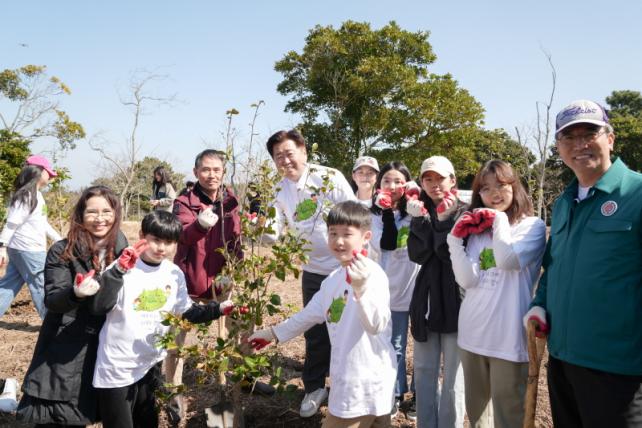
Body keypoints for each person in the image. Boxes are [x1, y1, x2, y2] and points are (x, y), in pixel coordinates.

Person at [526, 100, 642, 427]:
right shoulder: (564, 202)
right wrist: (539, 305)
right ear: (559, 148)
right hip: (562, 361)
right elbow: (554, 267)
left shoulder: (637, 193)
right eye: (569, 137)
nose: (579, 144)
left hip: (618, 369)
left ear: (611, 139)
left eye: (589, 133)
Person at [248, 201, 396, 428]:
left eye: (347, 234)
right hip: (353, 381)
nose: (338, 241)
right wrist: (271, 333)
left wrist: (361, 290)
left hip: (363, 382)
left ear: (366, 237)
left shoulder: (373, 275)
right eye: (333, 233)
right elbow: (307, 316)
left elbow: (376, 325)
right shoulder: (332, 280)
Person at [90, 210, 234, 428]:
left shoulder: (173, 273)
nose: (161, 248)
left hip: (150, 365)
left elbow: (187, 311)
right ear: (142, 236)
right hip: (117, 368)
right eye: (156, 240)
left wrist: (219, 309)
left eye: (169, 242)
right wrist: (117, 272)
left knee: (148, 422)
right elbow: (99, 306)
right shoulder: (124, 268)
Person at [17, 185, 129, 426]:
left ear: (116, 214)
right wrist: (75, 293)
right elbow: (52, 299)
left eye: (106, 212)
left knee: (93, 406)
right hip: (66, 342)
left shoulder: (122, 248)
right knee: (60, 413)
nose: (100, 219)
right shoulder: (63, 250)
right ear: (81, 215)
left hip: (105, 343)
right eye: (92, 212)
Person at [447, 160, 546, 428]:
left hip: (508, 338)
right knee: (477, 416)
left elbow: (508, 261)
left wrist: (498, 219)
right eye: (486, 188)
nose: (494, 193)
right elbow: (468, 280)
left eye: (501, 185)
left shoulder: (532, 226)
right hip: (472, 333)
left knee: (509, 415)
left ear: (515, 187)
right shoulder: (477, 233)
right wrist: (454, 241)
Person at [265, 129, 356, 417]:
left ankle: (348, 389)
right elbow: (273, 228)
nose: (285, 161)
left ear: (304, 151)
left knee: (348, 330)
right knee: (315, 333)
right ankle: (315, 388)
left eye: (289, 153)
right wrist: (263, 229)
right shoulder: (278, 189)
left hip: (344, 268)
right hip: (313, 270)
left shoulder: (328, 177)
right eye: (278, 157)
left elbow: (355, 215)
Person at [167, 149, 242, 420]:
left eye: (216, 170)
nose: (212, 175)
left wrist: (236, 267)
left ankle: (238, 381)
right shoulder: (184, 202)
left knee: (236, 332)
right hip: (190, 281)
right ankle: (173, 393)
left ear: (223, 172)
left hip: (222, 280)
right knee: (177, 341)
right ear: (196, 172)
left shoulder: (230, 201)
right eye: (206, 169)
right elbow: (182, 235)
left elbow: (236, 238)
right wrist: (199, 225)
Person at [407, 156, 467, 427]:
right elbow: (417, 254)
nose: (434, 184)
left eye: (440, 178)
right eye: (428, 179)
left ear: (452, 180)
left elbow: (447, 255)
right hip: (427, 301)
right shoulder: (420, 211)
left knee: (454, 378)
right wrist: (420, 221)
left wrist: (442, 221)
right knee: (423, 371)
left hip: (456, 302)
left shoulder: (465, 212)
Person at [369, 161, 420, 417]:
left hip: (419, 290)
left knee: (423, 346)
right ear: (379, 184)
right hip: (392, 291)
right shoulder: (374, 215)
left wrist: (416, 198)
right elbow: (385, 245)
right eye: (387, 180)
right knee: (395, 345)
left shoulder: (416, 210)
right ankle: (396, 392)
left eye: (399, 181)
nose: (392, 186)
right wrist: (387, 210)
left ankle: (420, 394)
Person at [0, 155, 62, 320]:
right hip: (29, 250)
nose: (50, 176)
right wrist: (2, 247)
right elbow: (11, 224)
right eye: (48, 172)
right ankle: (51, 324)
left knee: (8, 286)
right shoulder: (26, 196)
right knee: (41, 285)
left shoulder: (37, 195)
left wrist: (60, 240)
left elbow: (43, 223)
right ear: (38, 172)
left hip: (21, 249)